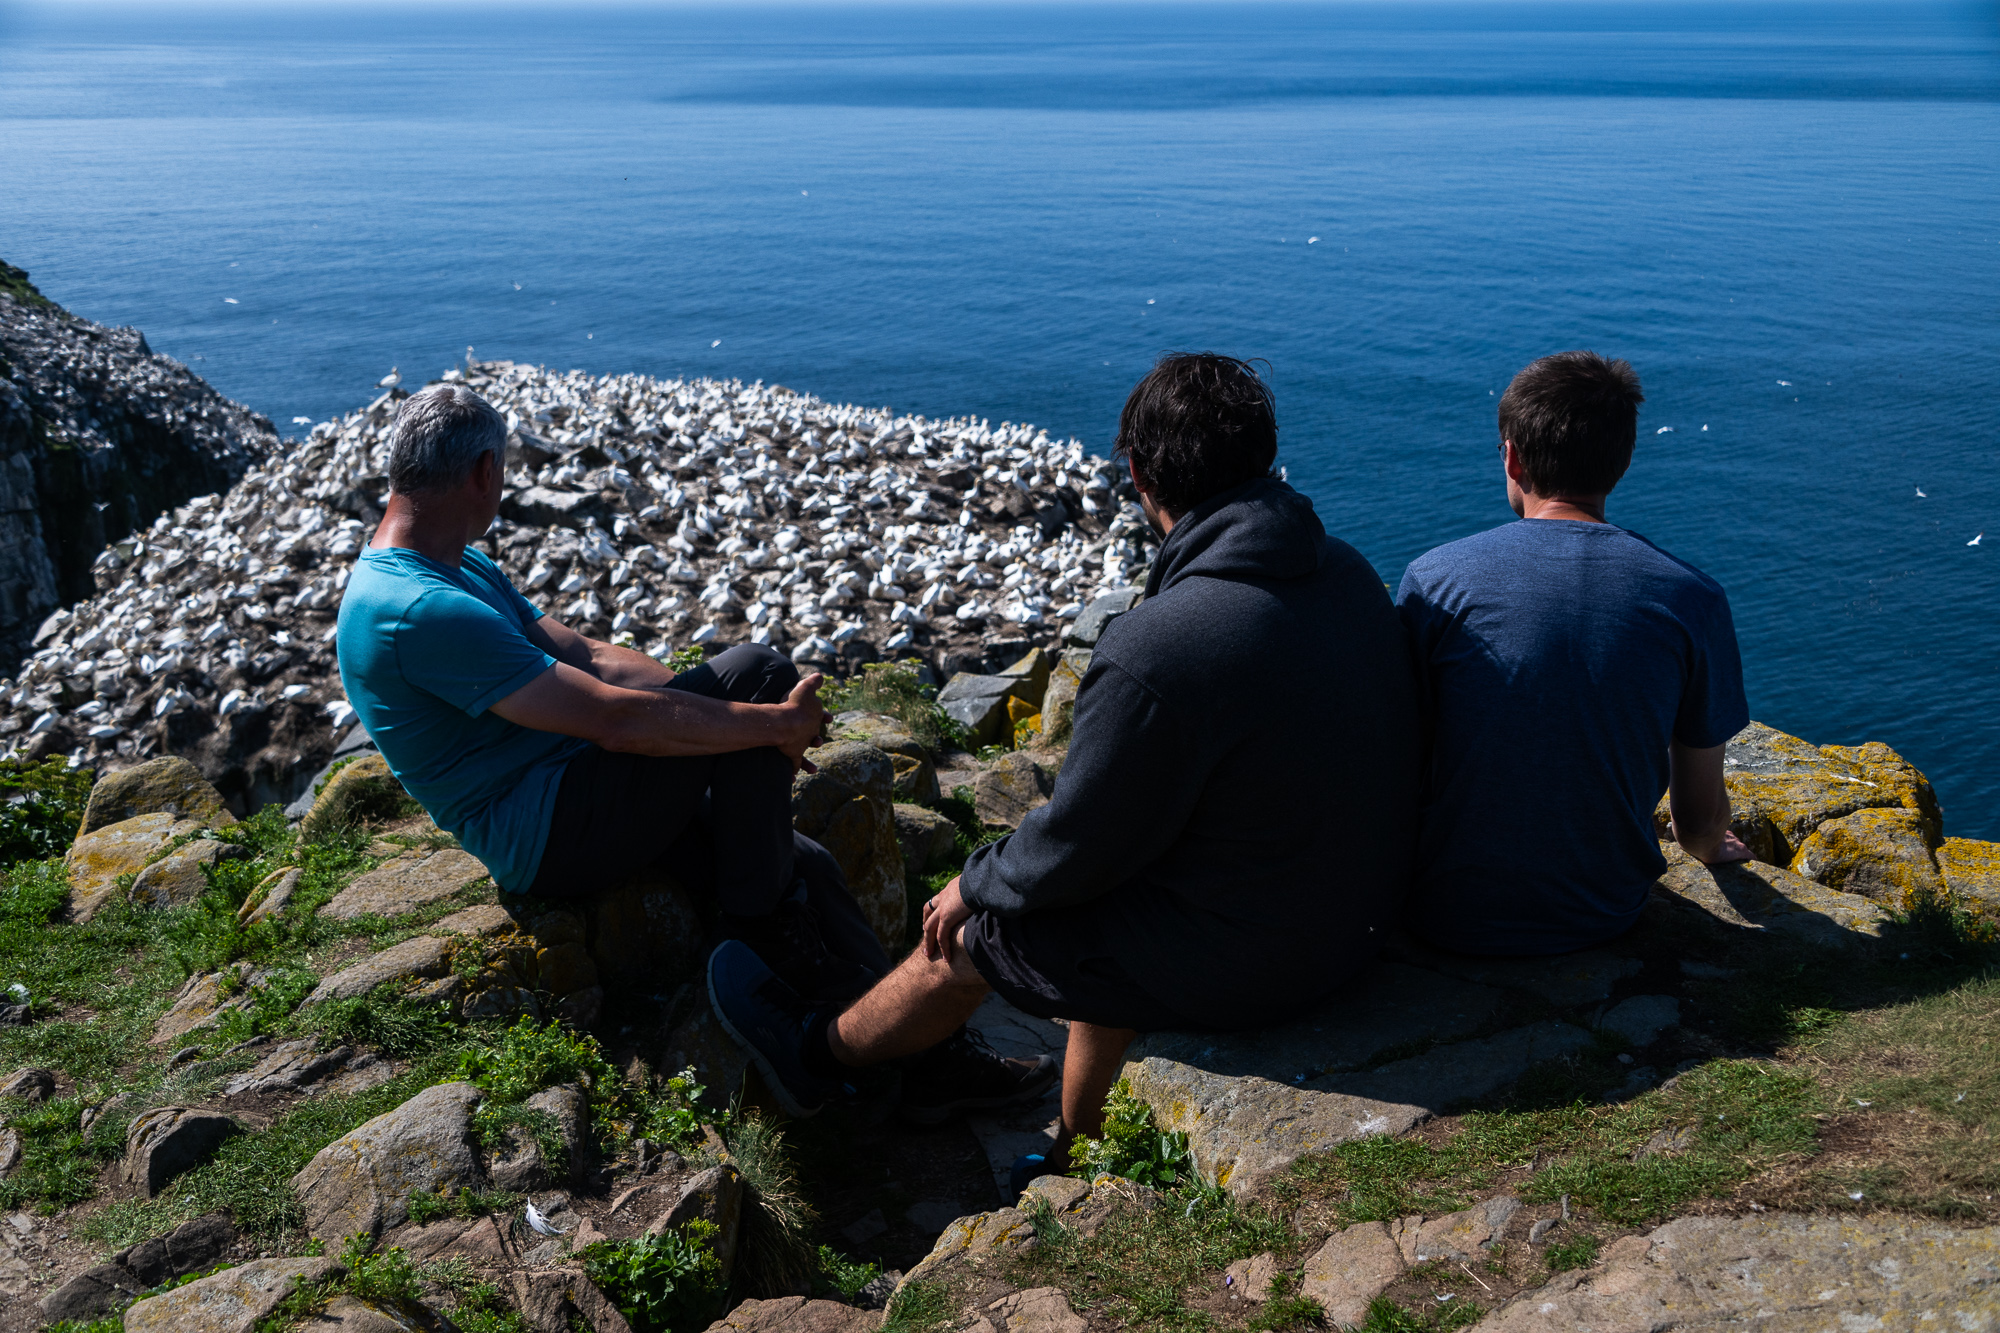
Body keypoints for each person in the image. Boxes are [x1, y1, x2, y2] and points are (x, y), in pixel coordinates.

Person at [709, 353, 1422, 1177]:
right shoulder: (1349, 573)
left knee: (982, 931)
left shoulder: (1161, 646)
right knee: (1121, 887)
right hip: (1359, 921)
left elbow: (1076, 849)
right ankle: (1074, 1148)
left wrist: (974, 880)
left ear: (1138, 474)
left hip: (1270, 962)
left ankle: (815, 1052)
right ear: (1264, 457)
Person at [336, 384, 1052, 1122]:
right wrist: (766, 721)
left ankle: (926, 1054)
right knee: (759, 669)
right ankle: (766, 935)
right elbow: (612, 719)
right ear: (485, 471)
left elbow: (591, 657)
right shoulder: (419, 608)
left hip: (576, 788)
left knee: (806, 862)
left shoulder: (454, 568)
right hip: (547, 830)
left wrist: (732, 720)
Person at [1395, 350, 1752, 959]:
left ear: (1513, 457)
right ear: (1623, 461)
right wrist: (1710, 845)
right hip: (1602, 911)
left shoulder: (1434, 581)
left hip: (1444, 909)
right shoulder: (1693, 598)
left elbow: (1400, 759)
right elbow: (1696, 822)